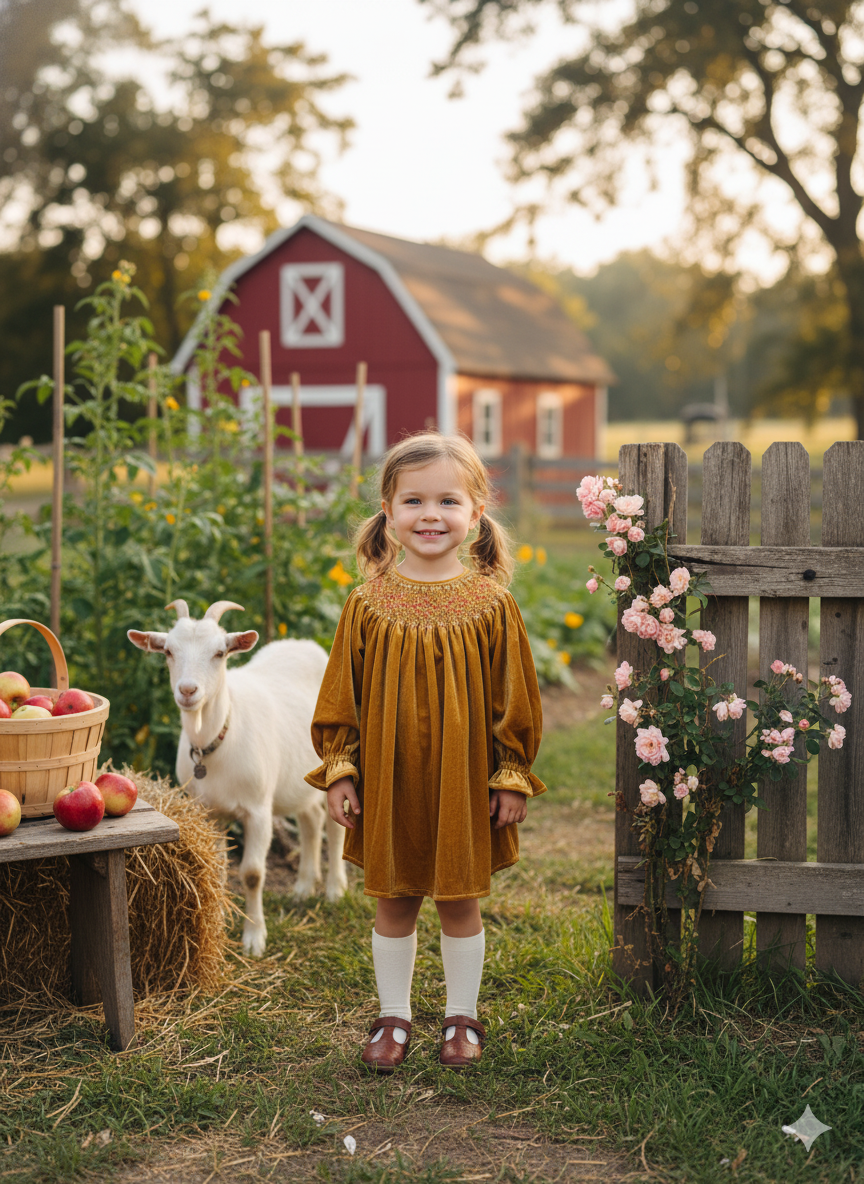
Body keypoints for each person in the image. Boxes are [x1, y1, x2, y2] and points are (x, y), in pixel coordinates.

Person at [305, 432, 545, 1072]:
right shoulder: (367, 603)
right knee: (395, 899)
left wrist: (511, 773)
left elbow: (513, 697)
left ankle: (461, 1018)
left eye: (447, 501)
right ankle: (394, 1018)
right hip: (389, 775)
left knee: (459, 898)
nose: (430, 515)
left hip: (464, 778)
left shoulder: (491, 604)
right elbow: (341, 697)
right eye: (413, 500)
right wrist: (340, 769)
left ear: (476, 513)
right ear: (388, 511)